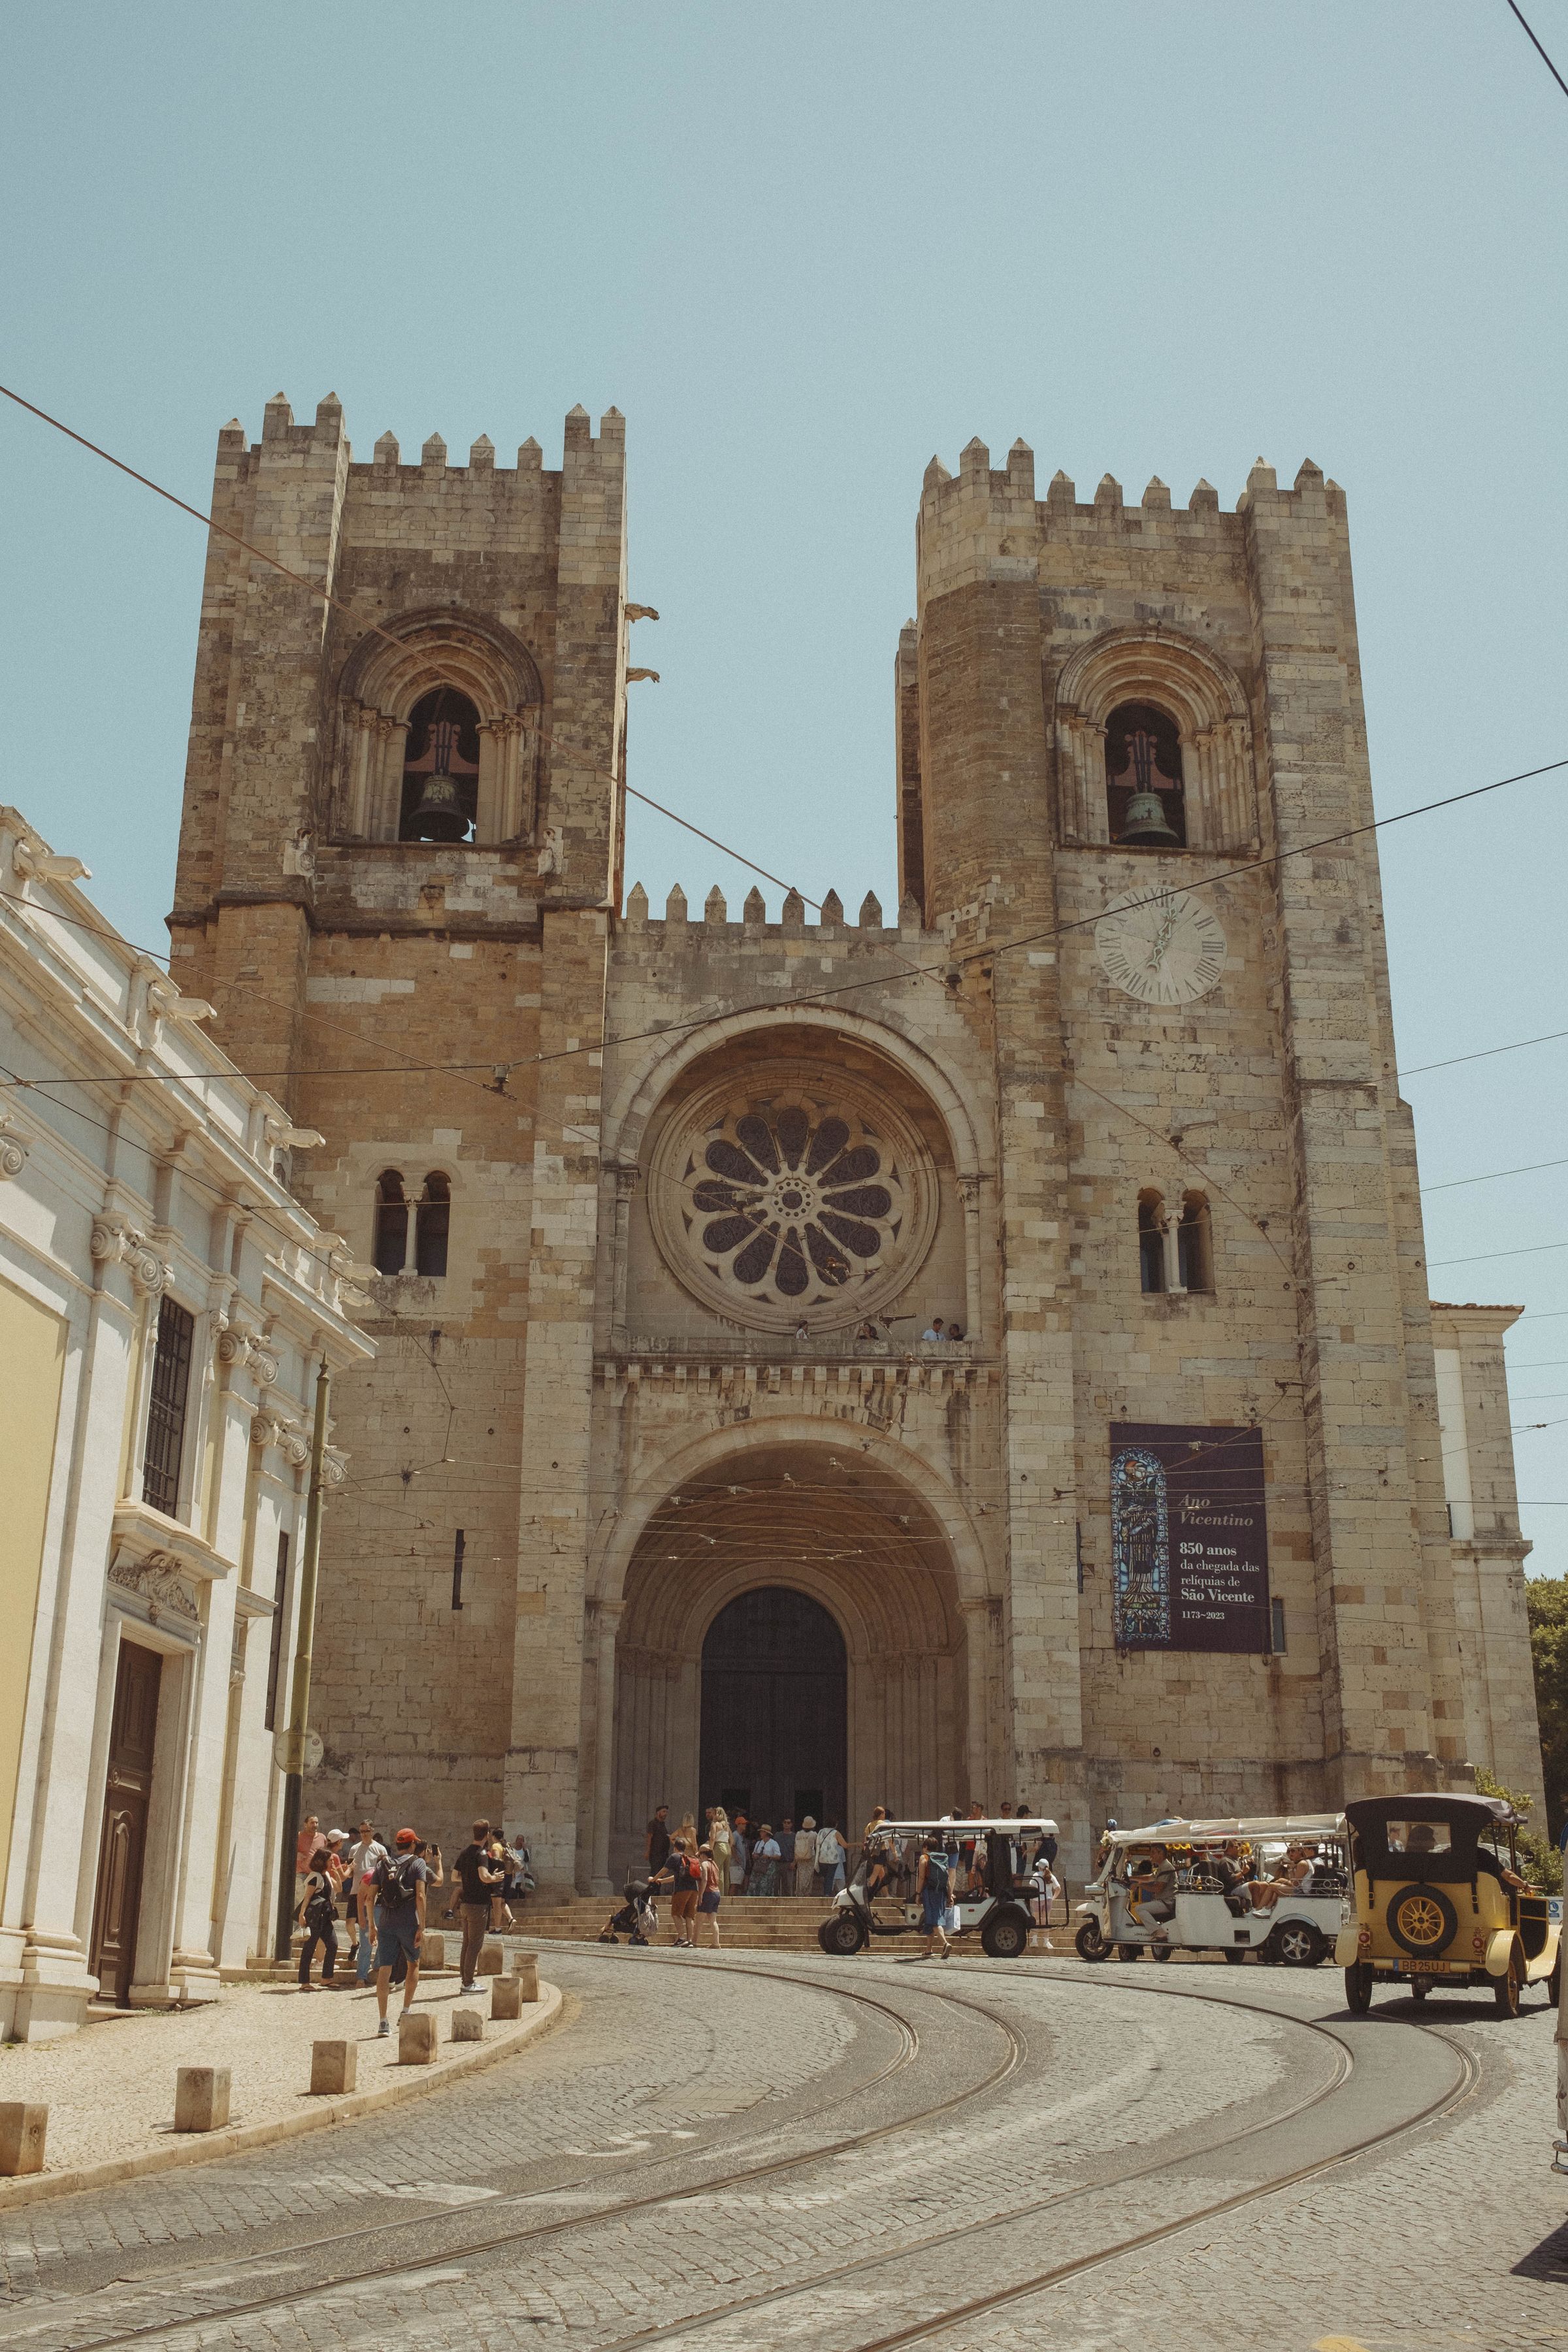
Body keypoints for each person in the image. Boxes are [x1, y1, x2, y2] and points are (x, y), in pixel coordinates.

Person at [372, 1827, 429, 2036]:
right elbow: (421, 1897)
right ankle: (405, 2011)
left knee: (385, 1969)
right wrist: (422, 1927)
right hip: (408, 1922)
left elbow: (370, 1897)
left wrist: (371, 1925)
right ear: (413, 1844)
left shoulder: (383, 1864)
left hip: (386, 1922)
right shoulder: (418, 1863)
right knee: (413, 1963)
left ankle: (383, 2021)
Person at [453, 1820, 503, 1991]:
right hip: (477, 1906)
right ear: (487, 1834)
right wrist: (494, 1878)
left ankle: (465, 1979)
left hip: (466, 1904)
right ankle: (468, 1983)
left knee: (467, 1943)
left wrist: (469, 1879)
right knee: (475, 1944)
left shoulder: (465, 1852)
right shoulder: (481, 1853)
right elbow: (483, 1876)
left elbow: (454, 1876)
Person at [346, 1820, 387, 1984]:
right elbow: (349, 1872)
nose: (364, 1834)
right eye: (361, 1831)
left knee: (382, 1934)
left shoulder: (380, 1849)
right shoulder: (354, 1849)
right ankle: (361, 1976)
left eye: (366, 1831)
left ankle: (377, 1964)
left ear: (372, 1831)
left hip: (378, 1896)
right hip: (358, 1892)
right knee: (365, 1936)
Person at [295, 1852, 338, 1989]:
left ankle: (326, 1978)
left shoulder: (326, 1876)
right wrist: (302, 1914)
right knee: (309, 1948)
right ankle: (304, 1982)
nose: (333, 1862)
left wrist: (336, 1873)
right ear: (323, 1861)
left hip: (325, 1918)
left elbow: (338, 1888)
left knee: (333, 1944)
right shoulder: (315, 1877)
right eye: (330, 1860)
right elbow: (307, 1897)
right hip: (315, 1918)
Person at [916, 1835, 953, 1959]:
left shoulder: (924, 1858)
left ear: (925, 1847)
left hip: (929, 1892)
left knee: (935, 1921)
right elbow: (947, 1879)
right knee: (931, 1919)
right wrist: (950, 1895)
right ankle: (929, 1949)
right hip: (941, 1893)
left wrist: (917, 1894)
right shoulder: (942, 1859)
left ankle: (945, 1943)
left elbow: (921, 1878)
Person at [696, 1842, 724, 1948]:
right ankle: (716, 1943)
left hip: (708, 1893)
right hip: (717, 1893)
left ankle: (694, 1941)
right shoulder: (715, 1865)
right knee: (713, 1921)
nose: (699, 1858)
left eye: (699, 1855)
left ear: (703, 1855)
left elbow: (705, 1880)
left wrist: (700, 1896)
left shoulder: (704, 1864)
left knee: (699, 1919)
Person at [815, 1818, 848, 1895]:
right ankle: (827, 1894)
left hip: (822, 1858)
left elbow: (817, 1844)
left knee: (826, 1877)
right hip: (833, 1859)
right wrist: (857, 1844)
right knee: (830, 1876)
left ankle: (826, 1892)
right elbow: (845, 1845)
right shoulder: (836, 1833)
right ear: (836, 1825)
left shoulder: (821, 1832)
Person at [749, 1824, 781, 1896]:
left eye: (762, 1832)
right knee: (755, 1885)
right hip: (758, 1869)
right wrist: (755, 1856)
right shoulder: (759, 1843)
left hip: (768, 1869)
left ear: (766, 1833)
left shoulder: (773, 1843)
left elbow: (778, 1856)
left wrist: (769, 1857)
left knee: (766, 1885)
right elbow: (754, 1853)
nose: (760, 1833)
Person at [794, 1817, 818, 1895]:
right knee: (809, 1875)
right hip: (810, 1857)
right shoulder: (814, 1835)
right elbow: (817, 1846)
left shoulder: (798, 1834)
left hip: (800, 1857)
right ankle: (807, 1892)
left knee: (801, 1875)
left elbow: (795, 1846)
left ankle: (800, 1892)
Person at [646, 1805, 672, 1876]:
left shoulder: (663, 1825)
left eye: (666, 1812)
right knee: (655, 1874)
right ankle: (653, 1887)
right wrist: (648, 1851)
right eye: (664, 1812)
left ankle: (656, 1887)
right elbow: (649, 1837)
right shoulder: (653, 1823)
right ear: (658, 1813)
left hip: (663, 1855)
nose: (666, 1814)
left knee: (660, 1875)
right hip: (655, 1854)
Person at [776, 1817, 795, 1897]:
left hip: (789, 1863)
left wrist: (794, 1862)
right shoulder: (777, 1835)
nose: (787, 1824)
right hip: (777, 1862)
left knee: (788, 1885)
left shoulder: (794, 1836)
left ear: (791, 1824)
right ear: (783, 1824)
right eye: (785, 1822)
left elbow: (797, 1850)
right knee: (775, 1885)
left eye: (788, 1823)